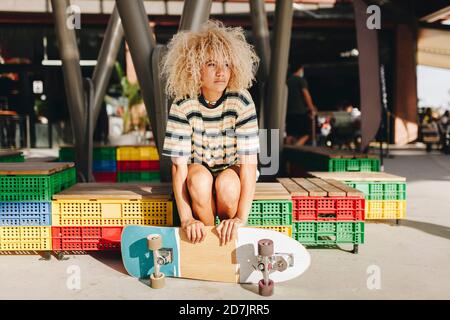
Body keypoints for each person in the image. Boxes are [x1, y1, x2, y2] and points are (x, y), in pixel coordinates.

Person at [161, 20, 260, 245]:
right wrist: (186, 219)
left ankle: (228, 231)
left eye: (227, 65)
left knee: (227, 185)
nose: (221, 72)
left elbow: (249, 164)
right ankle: (207, 234)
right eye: (212, 64)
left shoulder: (241, 100)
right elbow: (179, 166)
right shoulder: (183, 103)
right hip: (200, 168)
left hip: (232, 169)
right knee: (198, 181)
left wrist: (240, 219)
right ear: (195, 68)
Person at [285, 64, 318, 146]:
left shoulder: (287, 81)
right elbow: (306, 94)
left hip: (288, 112)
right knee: (306, 134)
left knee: (290, 135)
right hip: (300, 111)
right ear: (300, 69)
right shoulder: (300, 80)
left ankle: (286, 152)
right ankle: (295, 148)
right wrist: (311, 108)